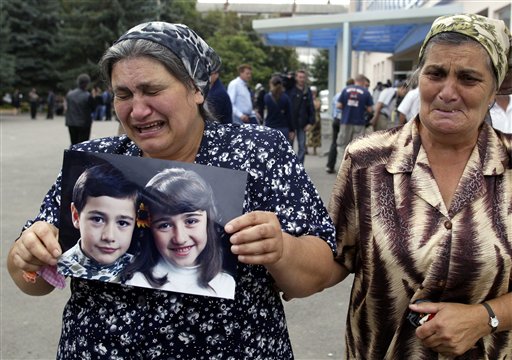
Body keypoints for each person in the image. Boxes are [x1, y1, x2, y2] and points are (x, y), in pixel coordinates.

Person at [7, 22, 336, 359]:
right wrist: (26, 256)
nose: (137, 110)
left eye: (152, 90)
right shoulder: (95, 164)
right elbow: (31, 278)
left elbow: (319, 272)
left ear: (196, 88)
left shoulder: (258, 152)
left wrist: (281, 249)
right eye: (124, 94)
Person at [327, 13, 512, 359]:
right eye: (436, 73)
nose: (447, 92)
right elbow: (334, 257)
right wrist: (280, 251)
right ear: (419, 78)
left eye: (468, 79)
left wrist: (485, 318)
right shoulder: (368, 160)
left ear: (493, 93)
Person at [124, 168, 236, 299]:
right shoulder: (136, 280)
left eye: (191, 221)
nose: (180, 238)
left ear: (208, 220)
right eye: (165, 225)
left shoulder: (225, 284)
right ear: (150, 229)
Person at [58, 163, 139, 282]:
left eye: (122, 223)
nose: (109, 236)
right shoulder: (63, 263)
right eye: (97, 219)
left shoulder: (140, 269)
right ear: (76, 216)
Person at [335, 74, 373, 159]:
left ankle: (343, 166)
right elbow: (370, 110)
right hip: (359, 122)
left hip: (346, 121)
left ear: (355, 80)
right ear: (363, 82)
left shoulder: (345, 90)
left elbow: (338, 105)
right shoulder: (366, 92)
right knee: (357, 147)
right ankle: (353, 169)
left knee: (342, 145)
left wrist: (348, 106)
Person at [286, 69, 315, 164]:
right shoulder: (290, 89)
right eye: (300, 77)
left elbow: (311, 107)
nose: (302, 79)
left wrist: (311, 122)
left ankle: (299, 167)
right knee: (289, 146)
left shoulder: (307, 90)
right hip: (290, 122)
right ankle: (289, 166)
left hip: (303, 123)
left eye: (303, 77)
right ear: (296, 78)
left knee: (302, 146)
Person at [64, 73, 95, 145]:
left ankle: (73, 155)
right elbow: (93, 108)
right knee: (82, 144)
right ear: (87, 83)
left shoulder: (69, 94)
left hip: (71, 122)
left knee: (73, 143)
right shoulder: (88, 95)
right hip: (84, 124)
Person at [263, 75, 293, 141]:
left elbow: (263, 113)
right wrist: (291, 130)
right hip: (283, 128)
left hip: (269, 128)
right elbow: (289, 115)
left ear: (271, 84)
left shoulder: (266, 97)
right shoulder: (285, 97)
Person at [206, 54, 232, 124]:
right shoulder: (214, 88)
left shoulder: (218, 93)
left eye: (210, 73)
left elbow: (212, 117)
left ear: (216, 74)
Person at [306, 86, 322, 155]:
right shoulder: (308, 99)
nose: (313, 93)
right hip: (309, 118)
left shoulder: (317, 99)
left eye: (314, 92)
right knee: (308, 134)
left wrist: (314, 100)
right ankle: (306, 149)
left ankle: (314, 150)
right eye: (312, 92)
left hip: (317, 119)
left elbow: (317, 106)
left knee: (316, 134)